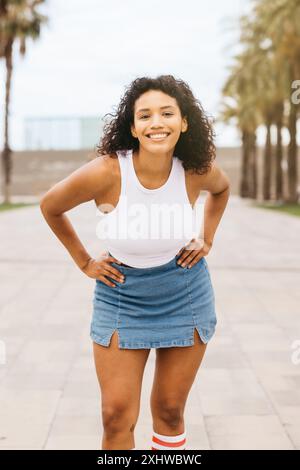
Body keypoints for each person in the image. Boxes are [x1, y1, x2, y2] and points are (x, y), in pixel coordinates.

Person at [40, 74, 230, 450]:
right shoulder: (108, 171)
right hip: (121, 296)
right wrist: (84, 262)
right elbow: (51, 205)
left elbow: (221, 190)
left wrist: (206, 238)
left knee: (170, 410)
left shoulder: (195, 169)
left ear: (184, 122)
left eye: (167, 113)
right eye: (145, 116)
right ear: (133, 126)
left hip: (185, 292)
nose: (156, 123)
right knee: (116, 416)